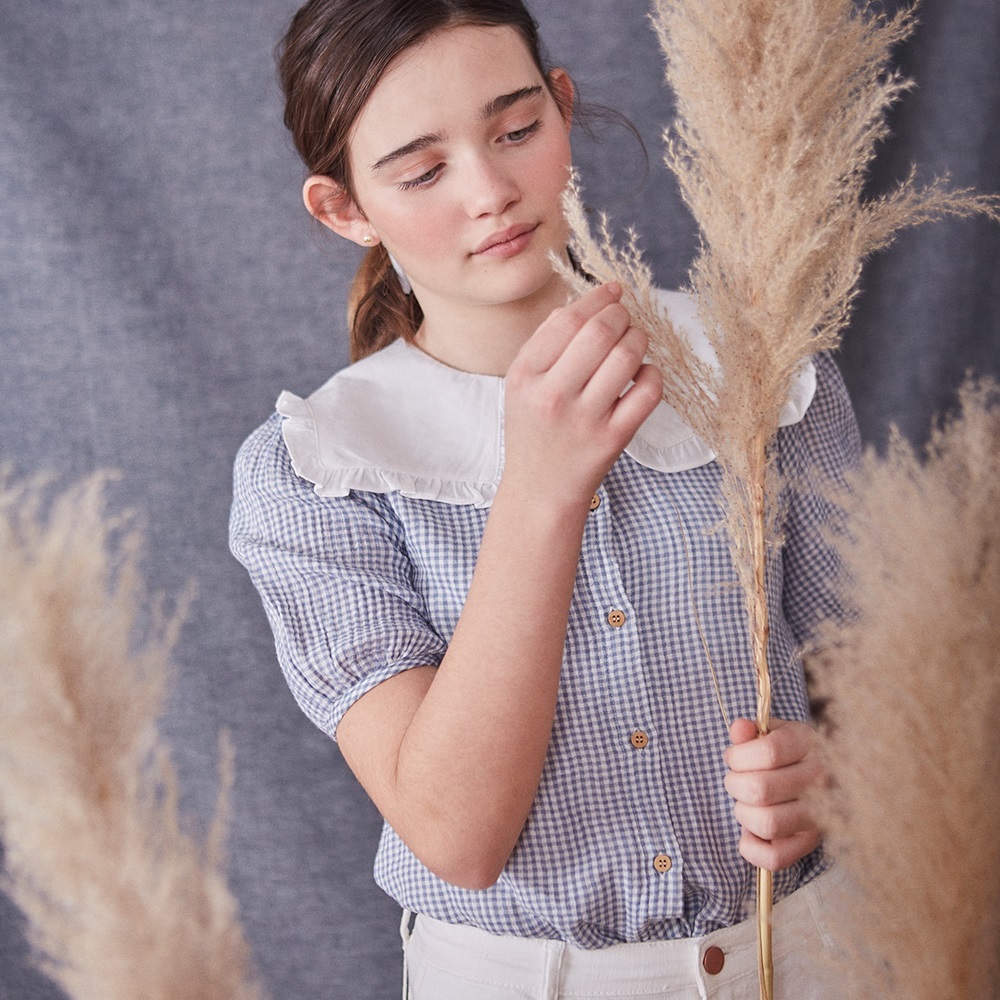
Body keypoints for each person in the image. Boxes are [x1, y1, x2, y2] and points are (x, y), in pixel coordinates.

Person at [229, 1, 860, 996]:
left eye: (516, 130)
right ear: (344, 207)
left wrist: (831, 771)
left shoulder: (762, 369)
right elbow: (456, 837)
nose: (491, 190)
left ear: (563, 110)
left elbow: (881, 683)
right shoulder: (318, 469)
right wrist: (539, 489)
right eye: (422, 169)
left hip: (817, 955)